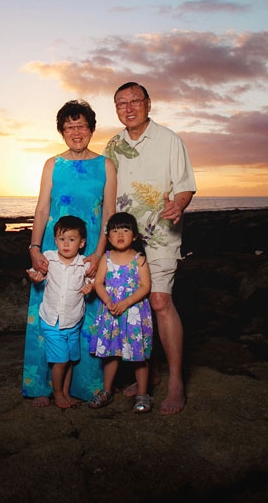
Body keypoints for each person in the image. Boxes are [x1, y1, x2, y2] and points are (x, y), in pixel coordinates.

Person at [104, 82, 196, 415]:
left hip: (160, 234)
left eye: (135, 101)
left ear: (148, 103)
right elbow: (108, 192)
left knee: (159, 301)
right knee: (136, 306)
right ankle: (150, 372)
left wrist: (178, 205)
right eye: (121, 103)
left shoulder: (170, 140)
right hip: (124, 238)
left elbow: (185, 187)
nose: (128, 108)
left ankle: (176, 383)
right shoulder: (113, 145)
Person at [23, 100, 117, 406]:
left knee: (88, 316)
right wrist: (35, 248)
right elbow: (42, 209)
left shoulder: (106, 165)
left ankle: (84, 386)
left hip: (90, 251)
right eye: (69, 127)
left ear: (91, 129)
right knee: (47, 315)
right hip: (55, 249)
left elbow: (109, 213)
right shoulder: (52, 164)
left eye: (81, 126)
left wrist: (99, 254)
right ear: (62, 131)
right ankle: (41, 387)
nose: (76, 132)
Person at [88, 212, 153, 413]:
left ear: (134, 236)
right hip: (111, 313)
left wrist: (126, 302)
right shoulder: (106, 258)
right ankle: (106, 391)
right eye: (115, 231)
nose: (120, 234)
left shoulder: (139, 259)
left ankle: (143, 394)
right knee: (111, 353)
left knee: (138, 355)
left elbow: (145, 287)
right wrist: (108, 301)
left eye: (125, 230)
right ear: (108, 237)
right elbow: (98, 283)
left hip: (134, 313)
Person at [26, 215, 93, 409]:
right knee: (61, 360)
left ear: (81, 243)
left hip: (73, 320)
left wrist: (91, 287)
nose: (66, 244)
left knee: (70, 360)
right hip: (52, 320)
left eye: (71, 239)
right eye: (62, 239)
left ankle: (65, 392)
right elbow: (36, 272)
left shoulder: (84, 264)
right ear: (55, 240)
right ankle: (57, 394)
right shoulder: (49, 257)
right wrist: (34, 277)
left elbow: (92, 282)